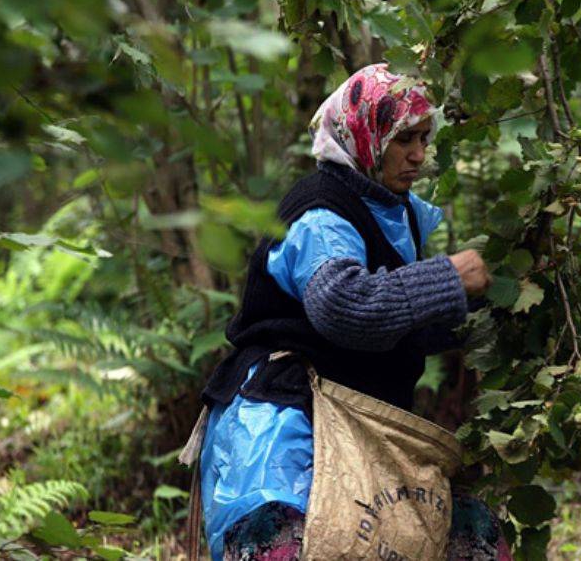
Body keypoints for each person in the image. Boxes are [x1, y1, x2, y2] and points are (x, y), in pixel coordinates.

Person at [197, 63, 512, 561]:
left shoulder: (394, 210)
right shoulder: (321, 215)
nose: (418, 154)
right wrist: (449, 277)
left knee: (472, 537)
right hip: (283, 427)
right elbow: (345, 307)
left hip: (360, 423)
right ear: (365, 134)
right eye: (403, 138)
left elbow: (398, 323)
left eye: (424, 138)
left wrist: (498, 306)